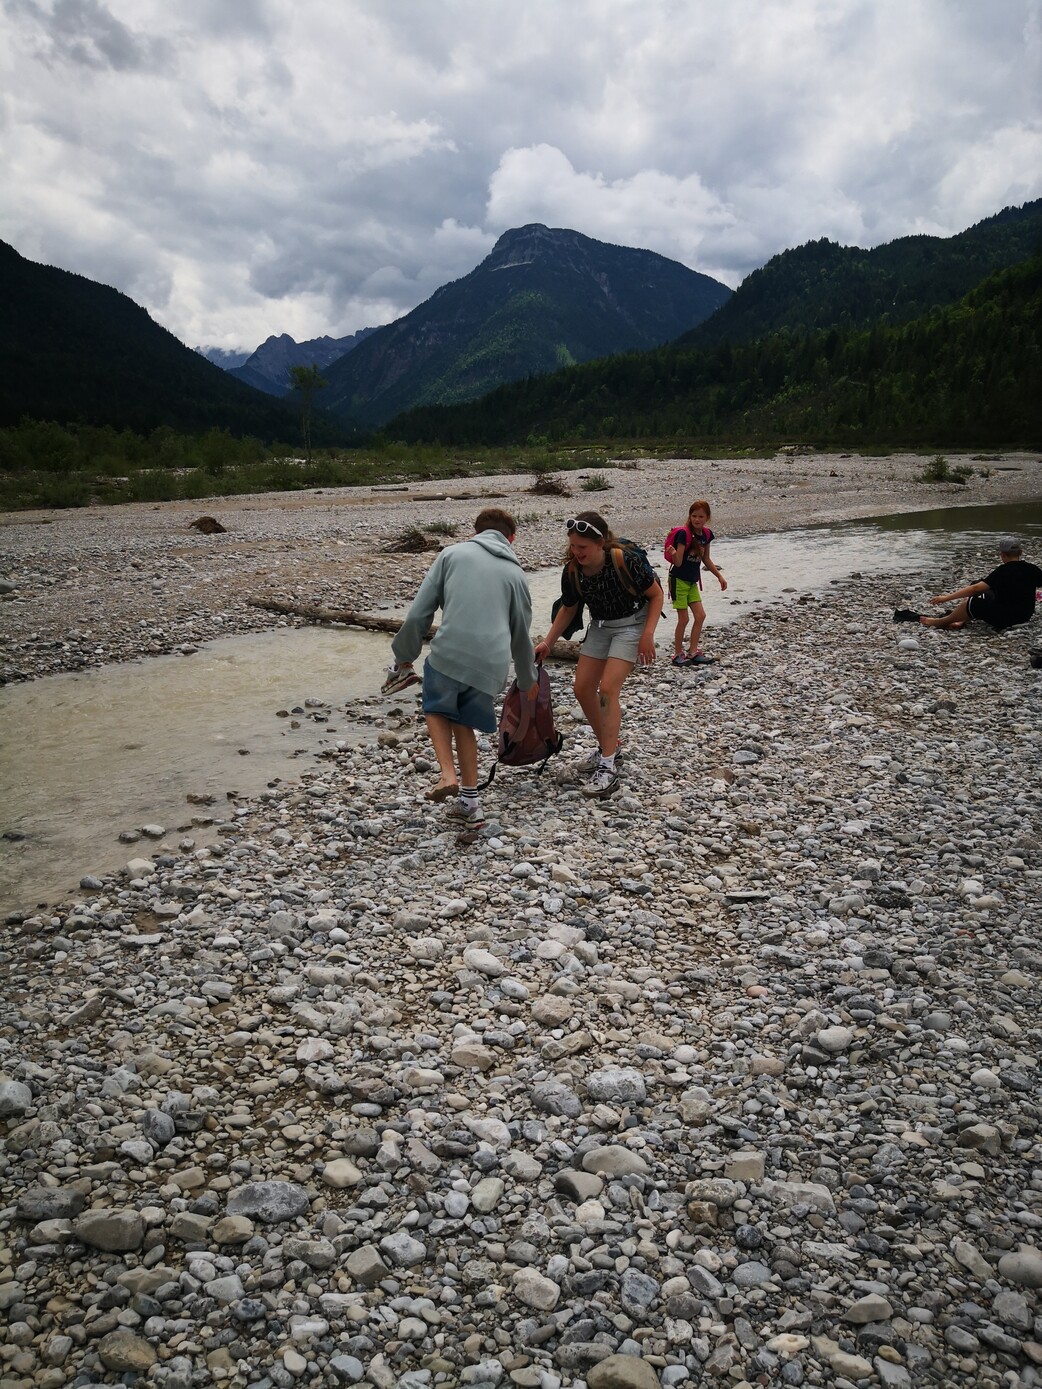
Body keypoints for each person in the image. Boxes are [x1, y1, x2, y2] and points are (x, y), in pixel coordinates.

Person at [383, 507, 539, 829]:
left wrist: (404, 656)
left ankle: (447, 774)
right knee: (463, 722)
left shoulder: (452, 555)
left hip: (450, 654)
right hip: (491, 666)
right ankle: (470, 805)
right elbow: (521, 633)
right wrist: (528, 679)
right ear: (511, 538)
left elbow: (419, 613)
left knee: (436, 708)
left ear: (476, 532)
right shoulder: (516, 574)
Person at [534, 511, 663, 799]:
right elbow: (568, 608)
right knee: (581, 688)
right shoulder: (572, 571)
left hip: (632, 625)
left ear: (600, 543)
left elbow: (656, 596)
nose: (577, 552)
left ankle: (607, 768)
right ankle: (610, 747)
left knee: (607, 690)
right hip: (601, 626)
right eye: (573, 546)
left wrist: (648, 634)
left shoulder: (623, 560)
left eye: (583, 547)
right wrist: (548, 643)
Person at [895, 536, 1042, 632]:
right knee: (981, 587)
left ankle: (941, 622)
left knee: (974, 600)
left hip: (1006, 618)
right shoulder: (1032, 569)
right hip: (1024, 615)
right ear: (1021, 552)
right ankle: (959, 621)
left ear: (1002, 555)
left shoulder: (1003, 570)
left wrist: (946, 598)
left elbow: (975, 589)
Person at [666, 499, 727, 665]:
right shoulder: (683, 534)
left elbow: (706, 559)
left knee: (700, 616)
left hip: (692, 581)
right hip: (678, 580)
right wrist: (673, 554)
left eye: (701, 516)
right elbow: (678, 563)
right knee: (684, 619)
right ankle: (677, 655)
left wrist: (719, 576)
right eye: (694, 516)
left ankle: (693, 652)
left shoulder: (706, 535)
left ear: (707, 517)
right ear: (690, 516)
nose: (697, 519)